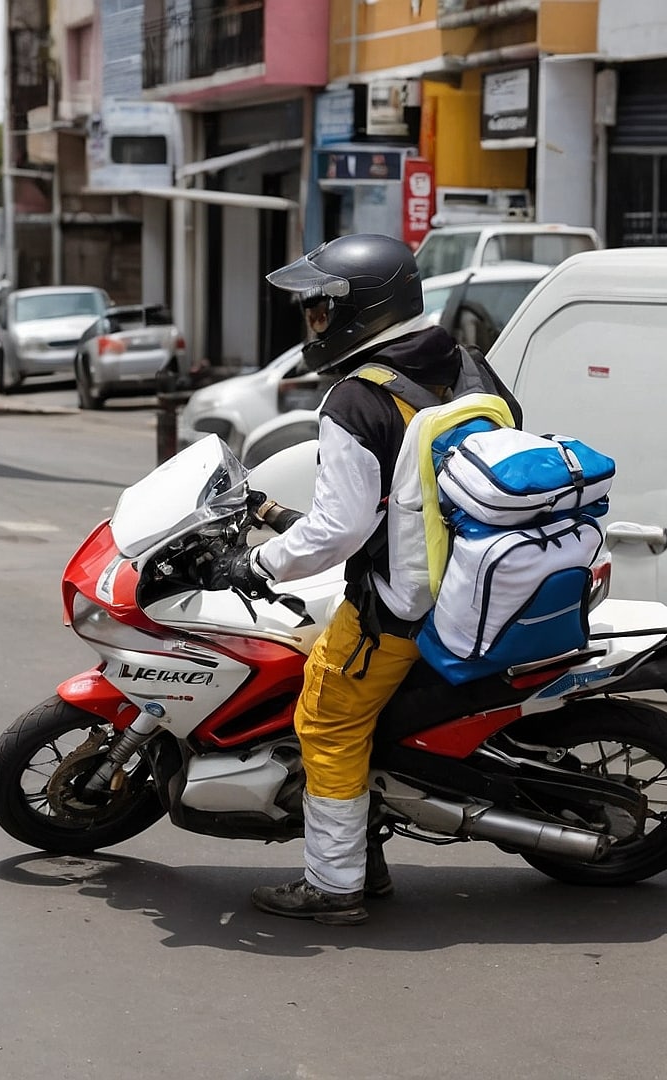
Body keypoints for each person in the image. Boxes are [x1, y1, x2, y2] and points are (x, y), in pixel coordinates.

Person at [200, 234, 522, 926]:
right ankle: (362, 841)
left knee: (324, 719)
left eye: (320, 311)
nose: (313, 324)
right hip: (469, 584)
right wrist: (292, 519)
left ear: (361, 310)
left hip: (400, 605)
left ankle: (336, 883)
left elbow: (342, 530)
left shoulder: (354, 399)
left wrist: (259, 562)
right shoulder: (467, 363)